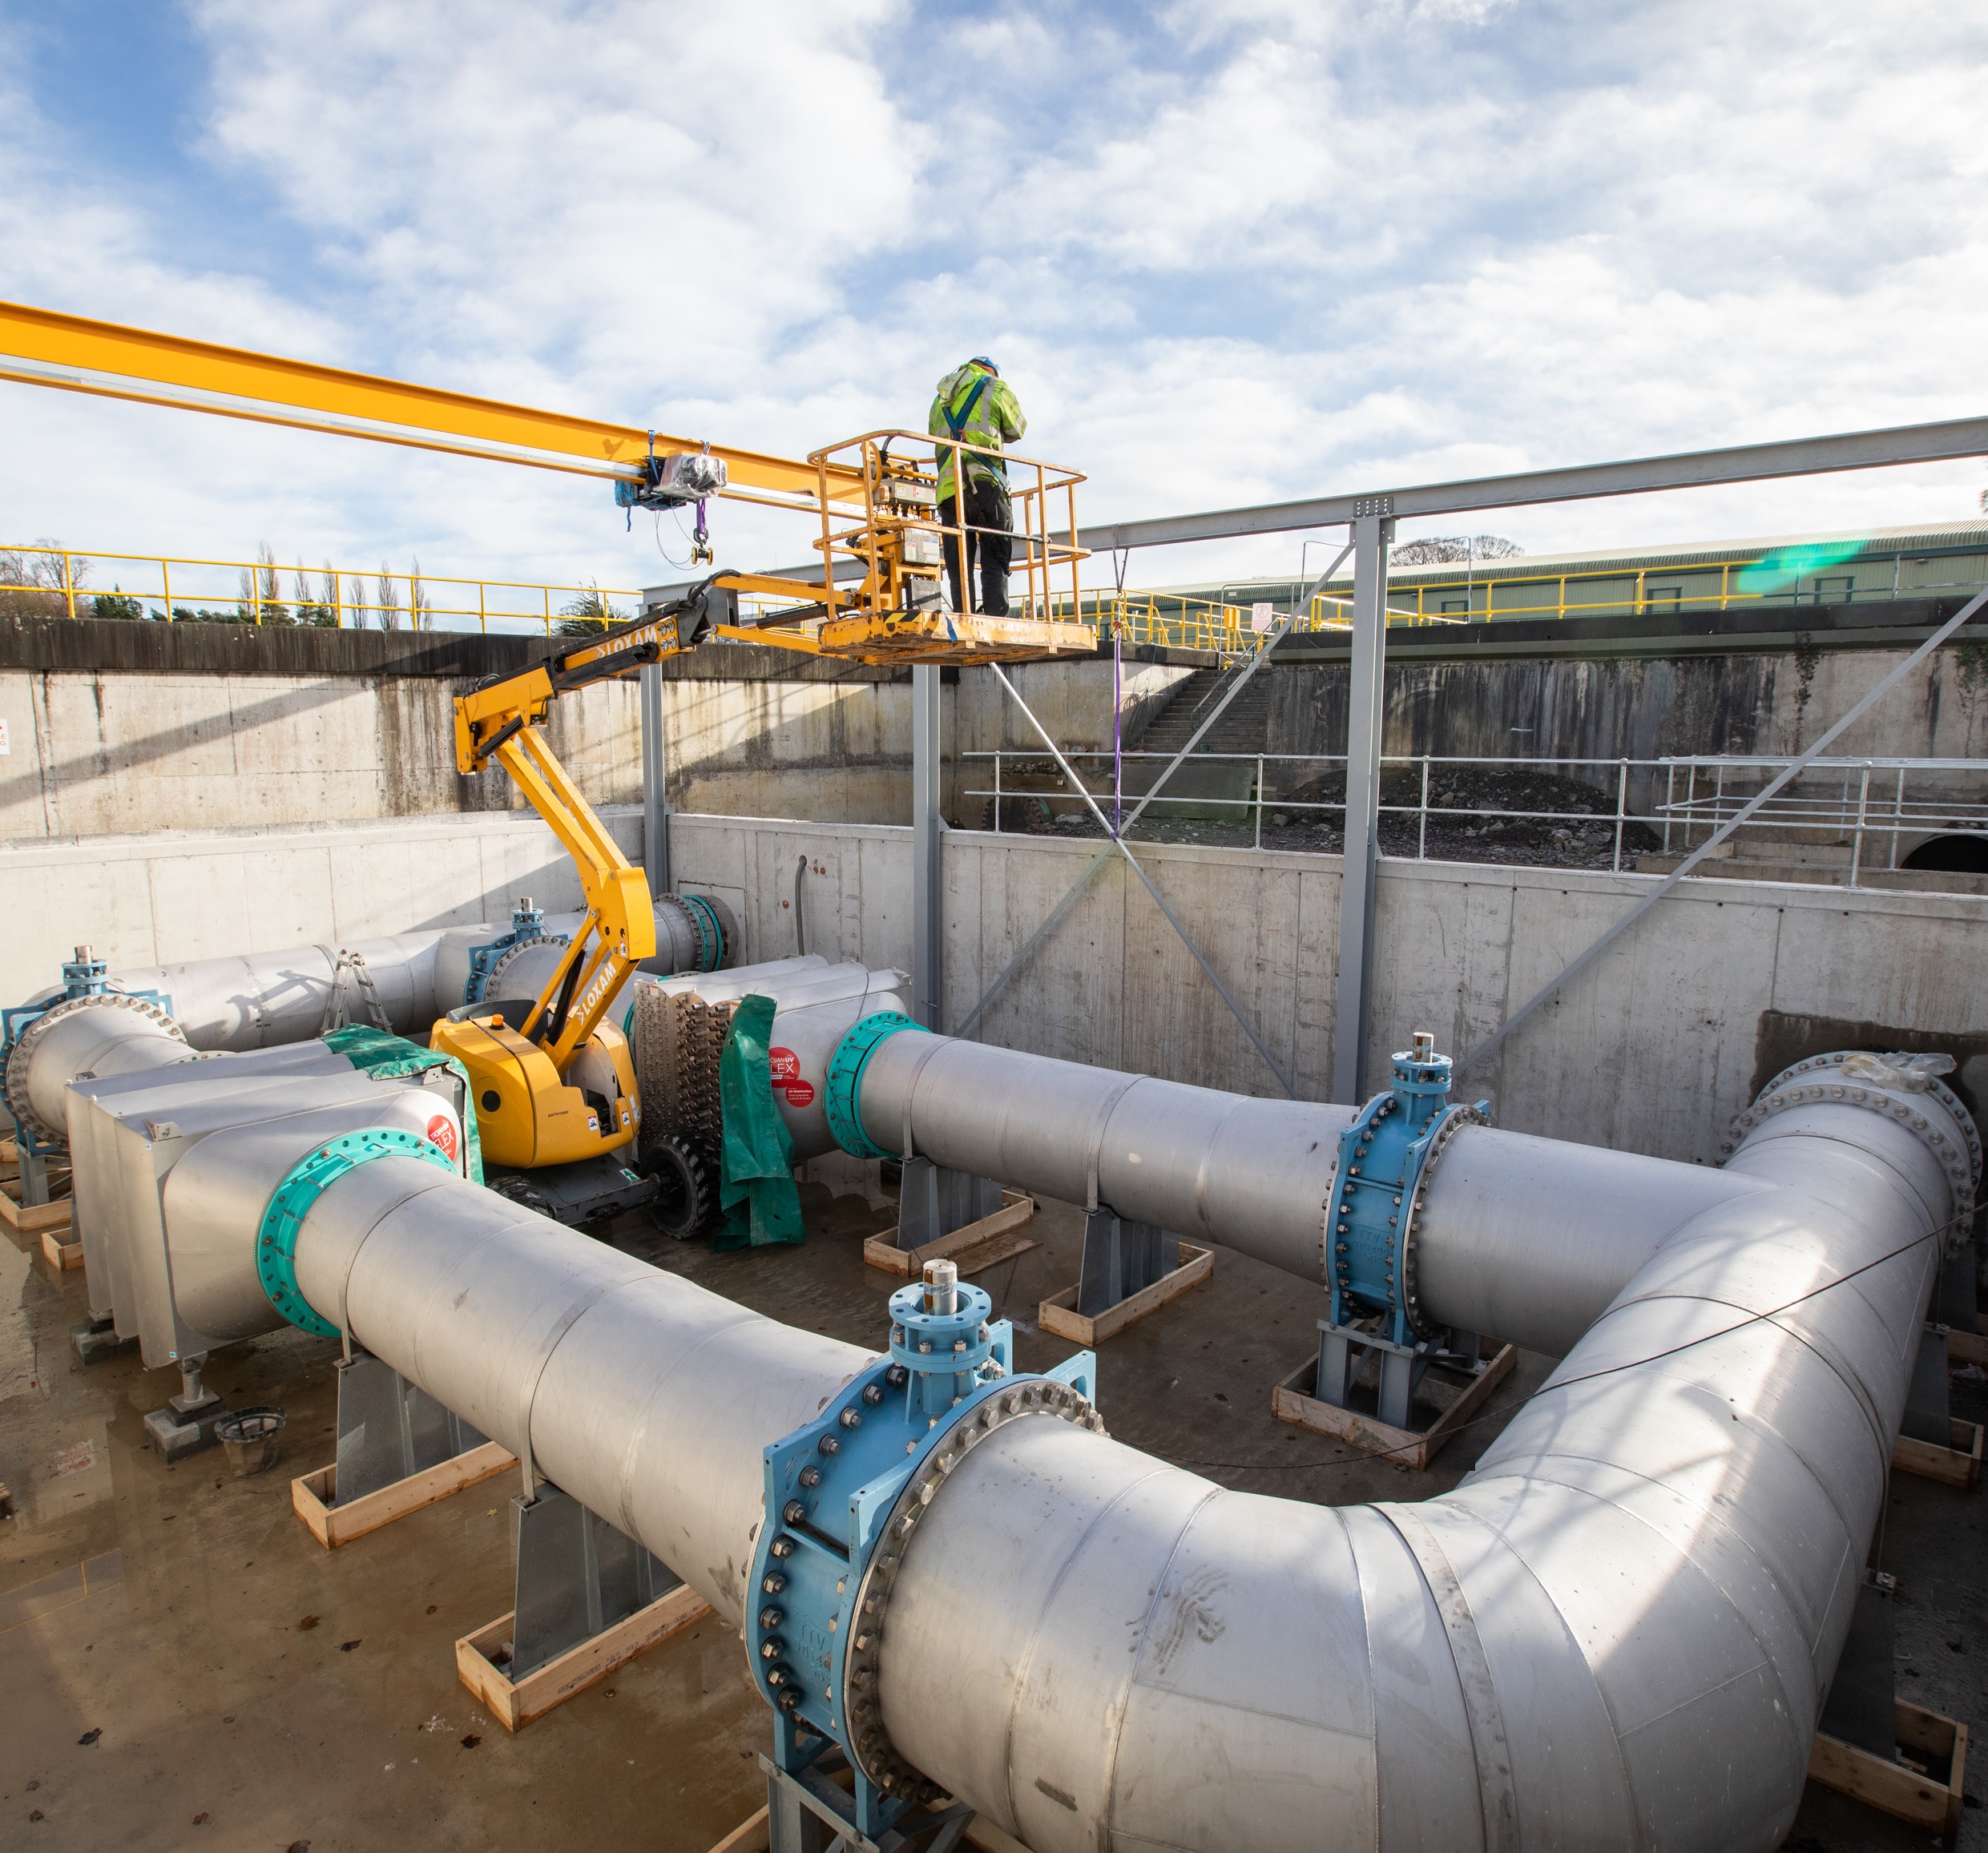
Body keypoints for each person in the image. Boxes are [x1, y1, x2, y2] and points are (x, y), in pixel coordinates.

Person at [929, 357, 1026, 616]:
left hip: (949, 490)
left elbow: (934, 436)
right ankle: (995, 620)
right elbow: (1018, 428)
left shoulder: (940, 399)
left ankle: (964, 617)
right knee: (996, 556)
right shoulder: (995, 386)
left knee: (959, 564)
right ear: (992, 372)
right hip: (985, 483)